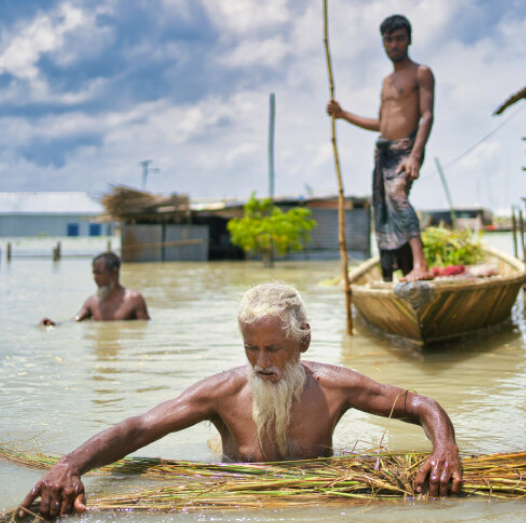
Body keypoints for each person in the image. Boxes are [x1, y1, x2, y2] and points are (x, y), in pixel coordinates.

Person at [22, 282, 462, 519]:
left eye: (273, 348)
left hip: (317, 495)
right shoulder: (224, 392)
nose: (261, 362)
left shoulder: (336, 385)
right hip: (237, 489)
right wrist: (69, 465)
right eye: (251, 348)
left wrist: (444, 448)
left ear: (304, 340)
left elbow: (420, 404)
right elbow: (138, 428)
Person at [327, 14, 434, 282]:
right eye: (389, 39)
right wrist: (343, 115)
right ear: (383, 43)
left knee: (398, 196)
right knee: (384, 211)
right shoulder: (387, 82)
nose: (394, 44)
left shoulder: (421, 72)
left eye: (399, 38)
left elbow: (427, 116)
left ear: (409, 40)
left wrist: (415, 157)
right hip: (384, 151)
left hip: (406, 149)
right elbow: (382, 124)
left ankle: (421, 265)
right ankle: (404, 270)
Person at [40, 251, 150, 326]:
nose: (95, 278)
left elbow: (145, 328)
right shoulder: (92, 302)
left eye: (99, 273)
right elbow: (74, 322)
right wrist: (55, 324)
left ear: (114, 272)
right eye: (94, 273)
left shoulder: (134, 300)